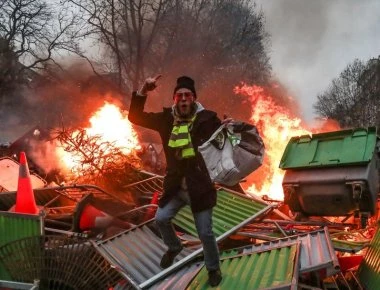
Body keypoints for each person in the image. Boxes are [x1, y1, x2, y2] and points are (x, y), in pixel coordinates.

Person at [128, 75, 222, 287]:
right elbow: (134, 116)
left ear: (194, 98)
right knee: (161, 219)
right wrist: (143, 89)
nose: (183, 99)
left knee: (205, 233)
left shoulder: (207, 120)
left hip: (200, 188)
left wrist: (229, 127)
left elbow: (225, 138)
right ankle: (174, 246)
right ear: (174, 99)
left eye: (187, 95)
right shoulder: (166, 120)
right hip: (175, 188)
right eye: (179, 95)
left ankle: (213, 269)